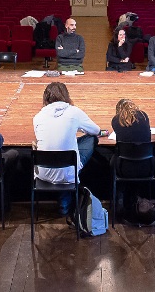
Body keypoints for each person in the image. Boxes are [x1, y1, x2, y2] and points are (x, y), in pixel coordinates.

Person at [33, 82, 100, 214]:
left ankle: (64, 204)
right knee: (91, 139)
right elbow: (95, 130)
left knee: (61, 154)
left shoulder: (37, 117)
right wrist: (78, 127)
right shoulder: (74, 112)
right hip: (68, 170)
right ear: (66, 96)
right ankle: (65, 203)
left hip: (43, 172)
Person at [111, 99, 152, 213]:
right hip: (146, 166)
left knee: (111, 160)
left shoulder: (116, 120)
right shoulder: (143, 116)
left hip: (124, 167)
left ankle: (118, 195)